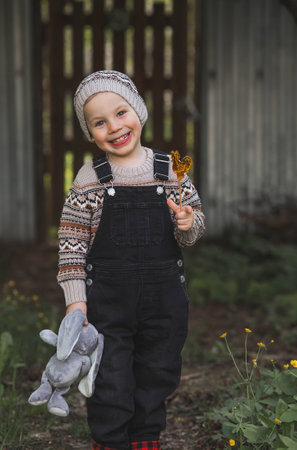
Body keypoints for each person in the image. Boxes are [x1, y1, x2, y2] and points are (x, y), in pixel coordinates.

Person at [57, 70, 205, 450]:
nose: (115, 127)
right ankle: (109, 440)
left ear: (138, 110)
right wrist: (76, 301)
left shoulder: (171, 170)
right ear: (90, 134)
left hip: (164, 302)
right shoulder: (90, 179)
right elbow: (71, 241)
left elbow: (192, 225)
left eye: (121, 113)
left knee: (158, 370)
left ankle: (144, 438)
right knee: (110, 373)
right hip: (108, 303)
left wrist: (187, 222)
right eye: (100, 122)